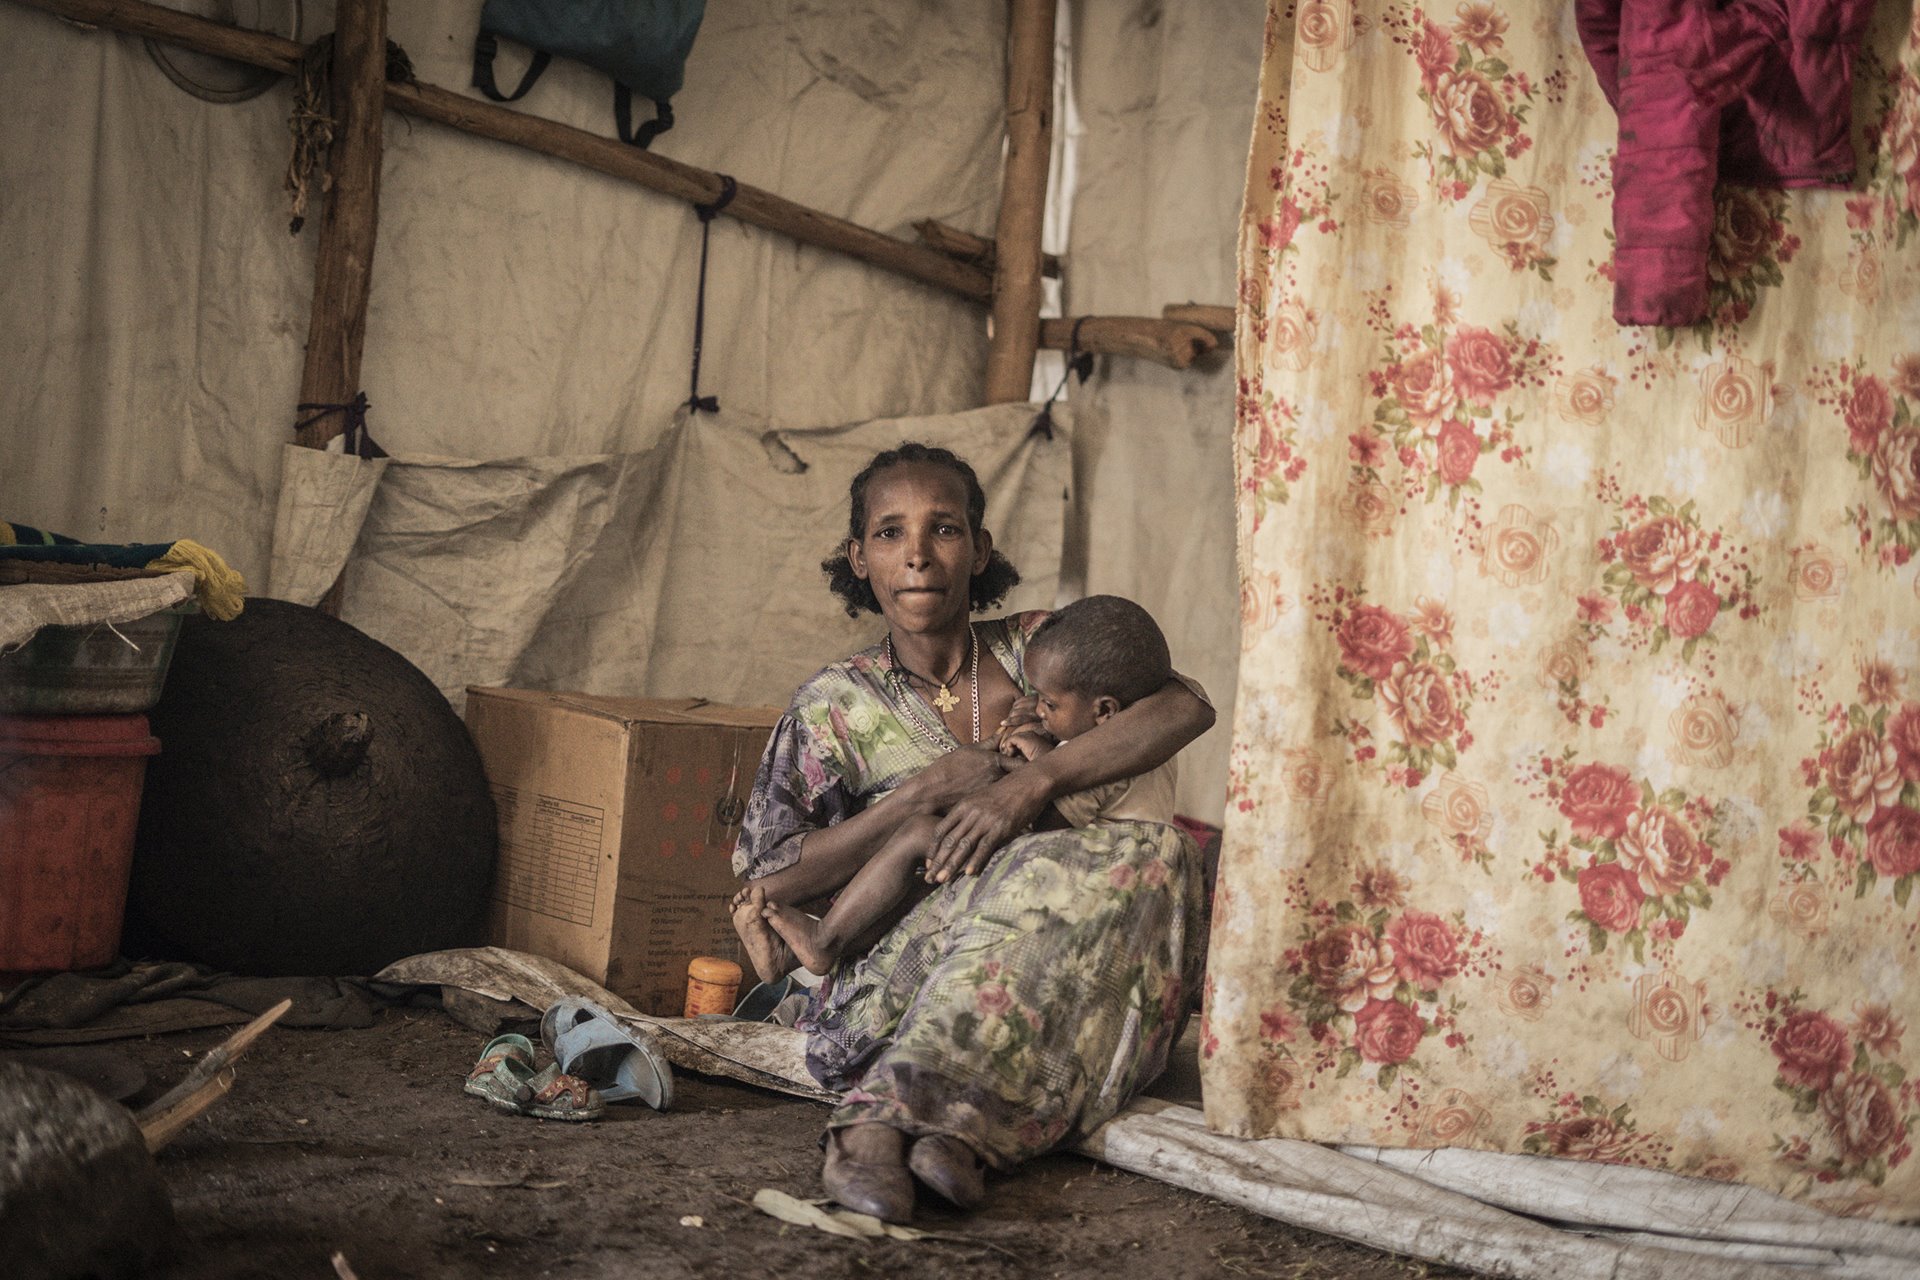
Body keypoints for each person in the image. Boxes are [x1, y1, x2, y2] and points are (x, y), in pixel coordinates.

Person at [730, 441, 1214, 1224]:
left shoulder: (1042, 648)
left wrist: (1031, 785)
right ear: (858, 558)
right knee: (1080, 868)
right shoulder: (833, 706)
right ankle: (876, 1127)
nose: (917, 555)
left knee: (1153, 853)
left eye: (944, 530)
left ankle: (963, 1130)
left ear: (979, 548)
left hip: (1057, 941)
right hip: (902, 969)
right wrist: (922, 791)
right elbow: (771, 878)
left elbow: (1184, 707)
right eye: (889, 534)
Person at [759, 593, 1183, 976]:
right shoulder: (1128, 735)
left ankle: (822, 941)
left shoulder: (1106, 756)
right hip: (1081, 875)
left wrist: (1031, 765)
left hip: (1087, 890)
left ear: (1106, 710)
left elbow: (1047, 824)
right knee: (939, 858)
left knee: (927, 838)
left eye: (1049, 703)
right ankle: (824, 945)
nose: (1037, 708)